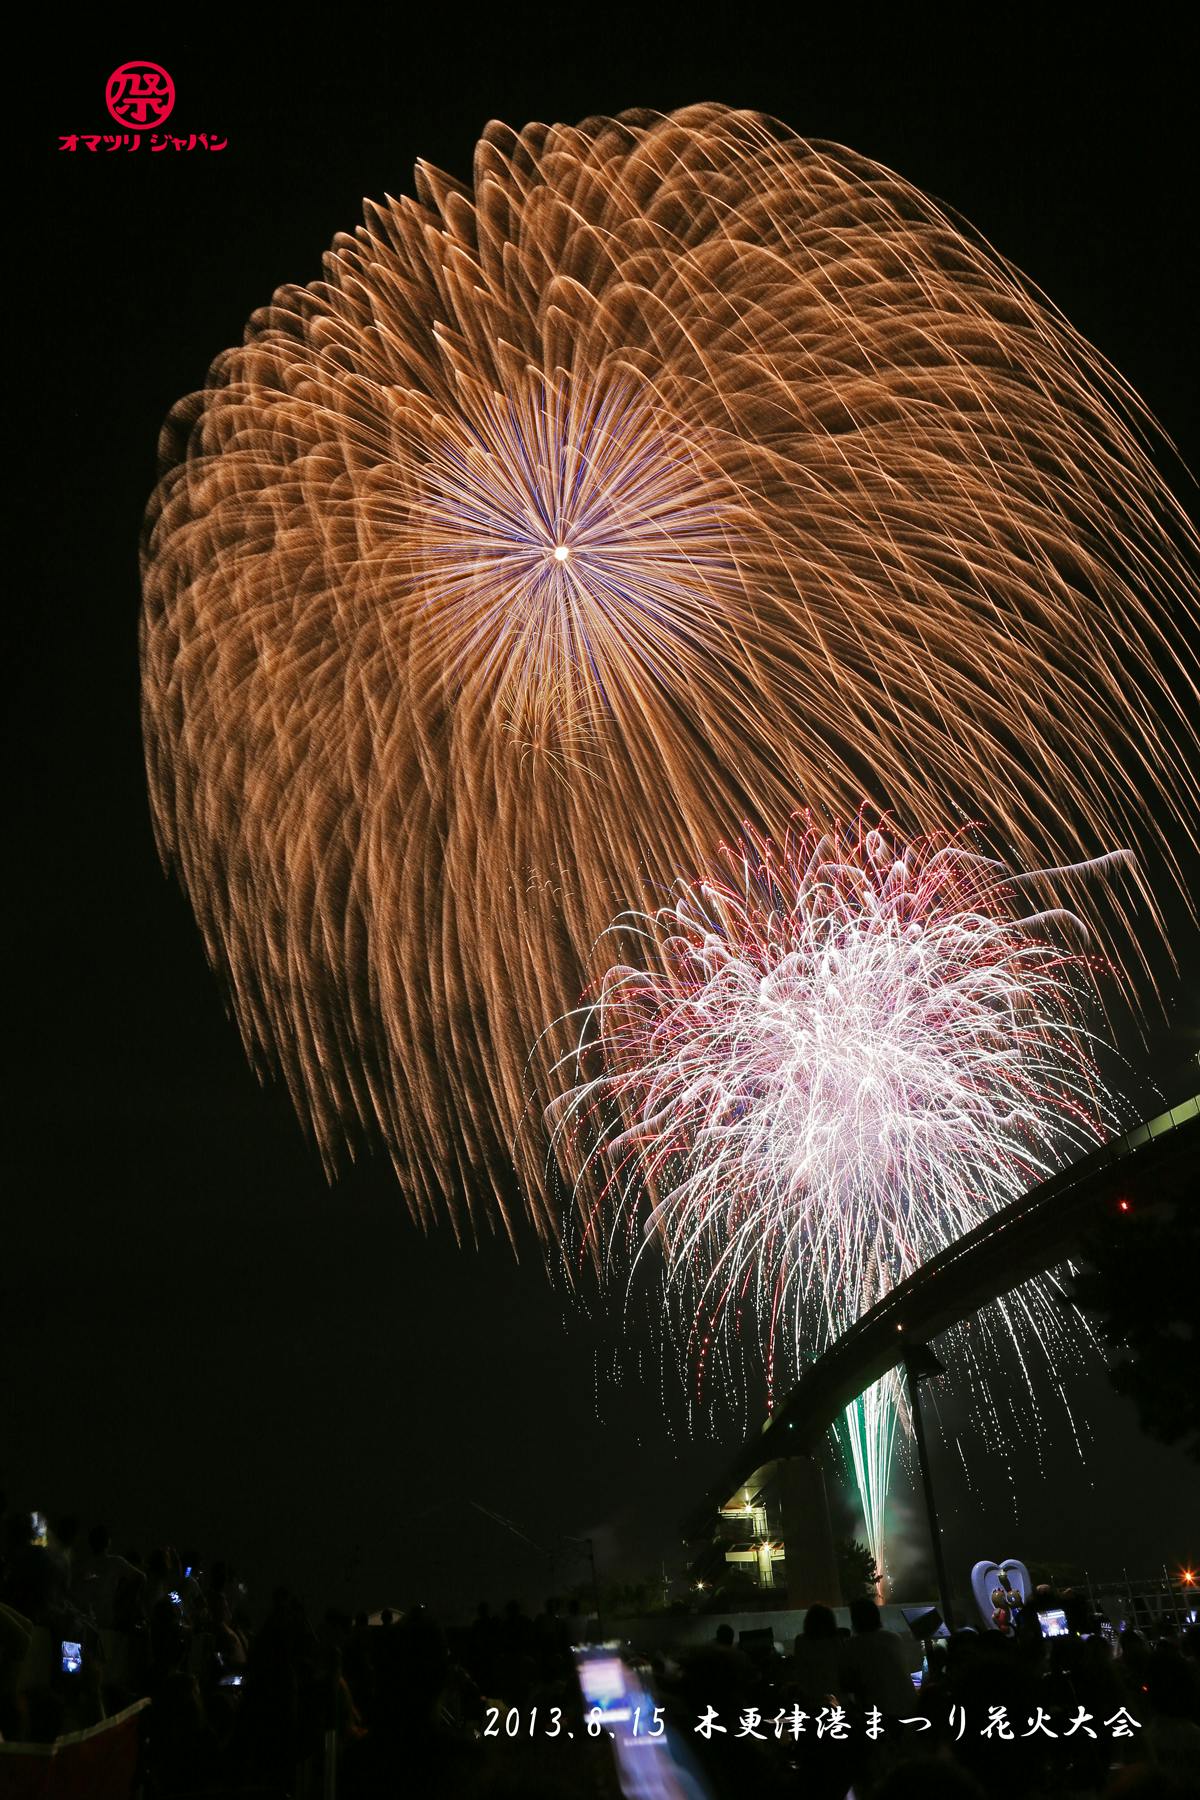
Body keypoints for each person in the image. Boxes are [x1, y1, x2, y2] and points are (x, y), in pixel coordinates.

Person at [840, 1596, 916, 1717]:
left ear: (855, 1620)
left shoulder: (852, 1645)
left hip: (880, 1714)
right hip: (910, 1709)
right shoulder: (894, 1638)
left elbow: (848, 1684)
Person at [791, 1602, 842, 1703]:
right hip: (836, 1695)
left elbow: (799, 1670)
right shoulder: (836, 1641)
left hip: (811, 1696)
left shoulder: (801, 1641)